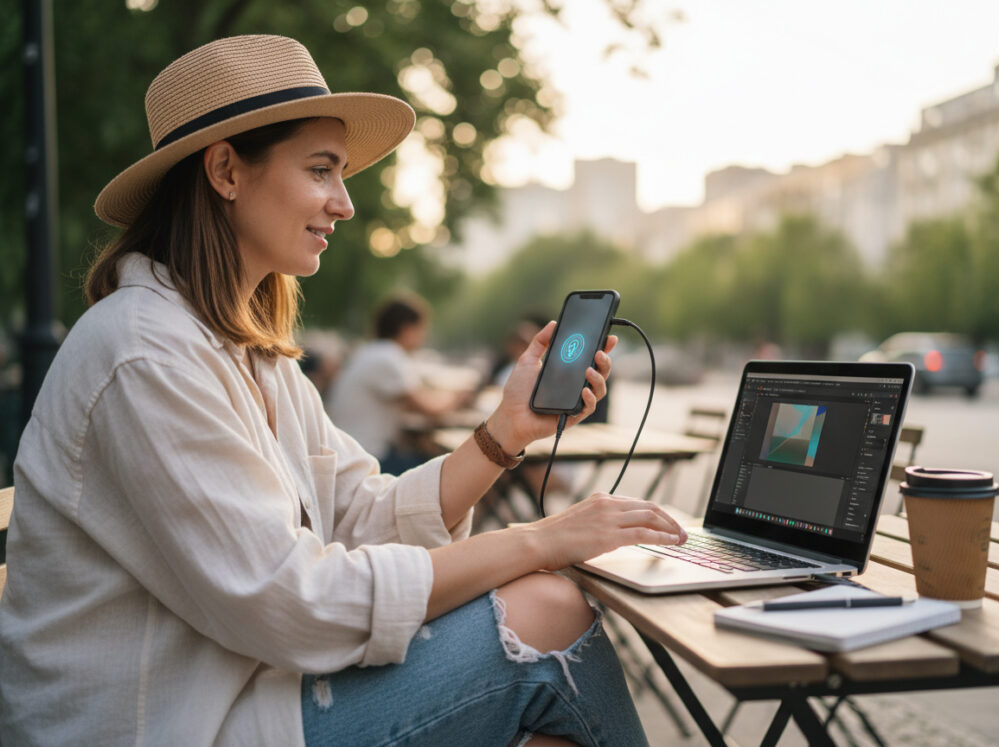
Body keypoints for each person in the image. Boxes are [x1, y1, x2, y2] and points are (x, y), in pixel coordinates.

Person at [0, 36, 684, 746]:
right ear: (227, 170)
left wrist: (505, 430)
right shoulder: (145, 354)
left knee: (542, 688)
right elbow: (294, 602)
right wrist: (538, 539)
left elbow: (366, 512)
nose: (345, 203)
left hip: (240, 696)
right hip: (168, 726)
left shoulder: (245, 355)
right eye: (322, 170)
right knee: (547, 615)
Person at [326, 293, 469, 474]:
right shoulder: (389, 356)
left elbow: (410, 402)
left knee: (428, 458)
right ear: (407, 329)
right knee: (447, 474)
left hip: (348, 453)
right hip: (367, 458)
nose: (423, 336)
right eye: (421, 329)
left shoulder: (371, 351)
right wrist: (459, 397)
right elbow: (430, 408)